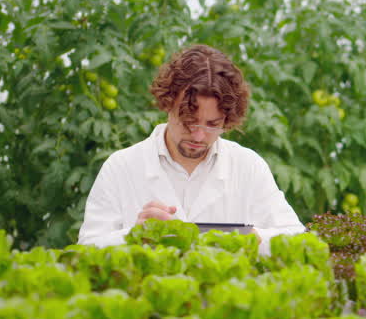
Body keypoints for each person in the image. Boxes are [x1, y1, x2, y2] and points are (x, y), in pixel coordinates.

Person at [78, 44, 305, 254]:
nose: (198, 136)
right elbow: (86, 249)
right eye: (189, 121)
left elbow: (296, 238)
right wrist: (133, 235)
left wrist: (250, 237)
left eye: (213, 125)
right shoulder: (121, 167)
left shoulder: (248, 167)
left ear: (227, 120)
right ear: (168, 104)